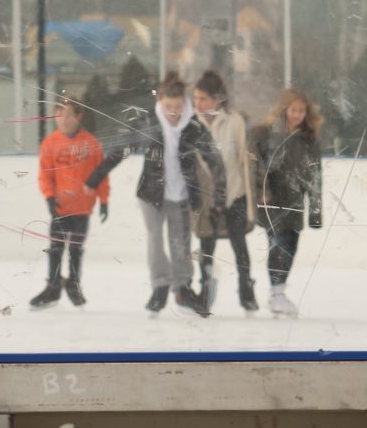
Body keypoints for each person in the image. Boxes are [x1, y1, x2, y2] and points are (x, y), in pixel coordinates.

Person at [118, 71, 225, 316]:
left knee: (181, 244)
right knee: (155, 240)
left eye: (178, 106)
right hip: (151, 194)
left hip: (181, 195)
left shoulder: (194, 126)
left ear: (184, 103)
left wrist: (219, 192)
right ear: (160, 103)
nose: (173, 112)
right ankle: (160, 287)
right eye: (169, 106)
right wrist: (93, 179)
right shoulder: (148, 122)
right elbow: (120, 148)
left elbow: (214, 160)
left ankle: (183, 289)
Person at [29, 97, 112, 309]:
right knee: (55, 248)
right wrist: (48, 197)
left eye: (69, 115)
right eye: (60, 114)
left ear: (79, 117)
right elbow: (45, 176)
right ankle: (53, 287)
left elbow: (101, 175)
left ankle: (74, 285)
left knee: (76, 248)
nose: (64, 119)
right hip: (59, 207)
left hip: (82, 208)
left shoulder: (91, 143)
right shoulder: (50, 144)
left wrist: (104, 201)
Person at [250, 87, 323, 317]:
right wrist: (262, 189)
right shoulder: (268, 135)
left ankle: (279, 291)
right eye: (294, 110)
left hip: (294, 201)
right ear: (284, 110)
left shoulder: (308, 140)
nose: (297, 115)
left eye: (301, 111)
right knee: (279, 242)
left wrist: (315, 211)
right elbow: (255, 162)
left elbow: (315, 176)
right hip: (272, 199)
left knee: (291, 245)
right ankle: (276, 294)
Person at [192, 69, 258, 313]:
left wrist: (248, 197)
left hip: (235, 194)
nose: (197, 103)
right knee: (206, 247)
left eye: (203, 98)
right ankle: (205, 294)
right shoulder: (192, 124)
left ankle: (246, 291)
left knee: (239, 244)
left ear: (217, 99)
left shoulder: (234, 121)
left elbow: (243, 159)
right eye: (195, 98)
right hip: (205, 198)